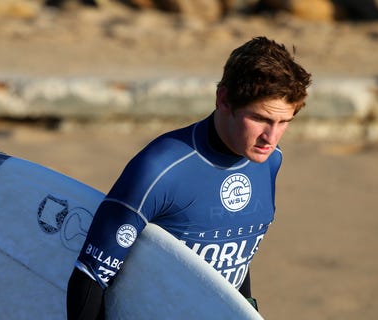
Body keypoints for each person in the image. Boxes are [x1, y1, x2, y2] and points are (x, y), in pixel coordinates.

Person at [66, 36, 312, 319]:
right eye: (260, 119)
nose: (271, 137)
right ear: (224, 100)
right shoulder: (161, 168)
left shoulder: (270, 161)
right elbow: (89, 277)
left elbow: (234, 257)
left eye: (284, 122)